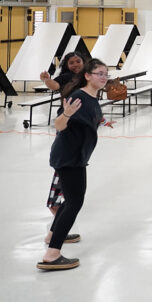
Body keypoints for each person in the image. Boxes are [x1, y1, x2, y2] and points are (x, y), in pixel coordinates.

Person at [37, 58, 111, 271]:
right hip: (69, 157)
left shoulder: (91, 97)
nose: (104, 77)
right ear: (88, 76)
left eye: (106, 73)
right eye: (99, 73)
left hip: (76, 156)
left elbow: (89, 117)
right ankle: (52, 254)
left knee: (70, 200)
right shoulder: (78, 96)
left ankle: (52, 234)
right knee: (74, 203)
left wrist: (104, 121)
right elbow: (59, 124)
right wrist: (66, 114)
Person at [40, 52, 87, 220]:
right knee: (66, 165)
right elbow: (54, 85)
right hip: (67, 123)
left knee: (71, 164)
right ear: (66, 66)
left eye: (78, 61)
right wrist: (46, 79)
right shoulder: (67, 77)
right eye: (71, 62)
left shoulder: (86, 77)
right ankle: (55, 204)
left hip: (80, 125)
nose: (75, 65)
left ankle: (60, 203)